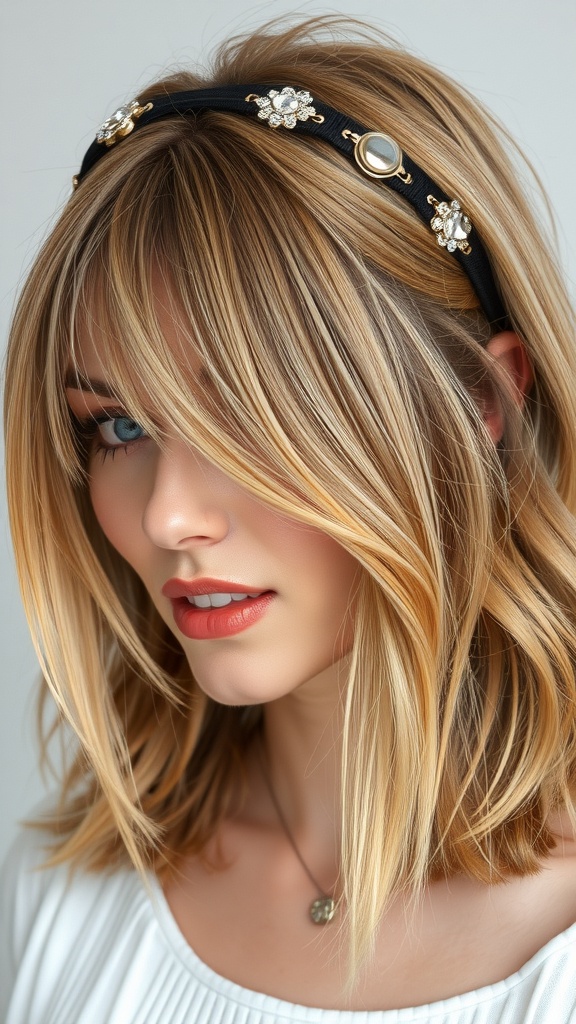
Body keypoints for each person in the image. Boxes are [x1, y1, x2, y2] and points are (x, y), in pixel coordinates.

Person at [2, 14, 576, 1023]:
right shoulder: (66, 885)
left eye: (241, 415)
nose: (172, 513)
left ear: (482, 407)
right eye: (119, 425)